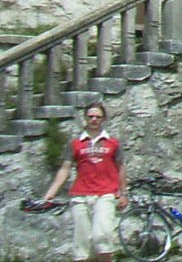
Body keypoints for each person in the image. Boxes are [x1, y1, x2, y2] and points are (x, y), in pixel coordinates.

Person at [40, 102, 127, 262]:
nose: (94, 120)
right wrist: (50, 193)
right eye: (91, 116)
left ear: (103, 119)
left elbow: (120, 168)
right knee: (83, 244)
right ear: (85, 118)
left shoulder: (113, 143)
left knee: (102, 236)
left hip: (105, 193)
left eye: (98, 117)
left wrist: (123, 193)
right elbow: (65, 169)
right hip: (80, 195)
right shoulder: (75, 143)